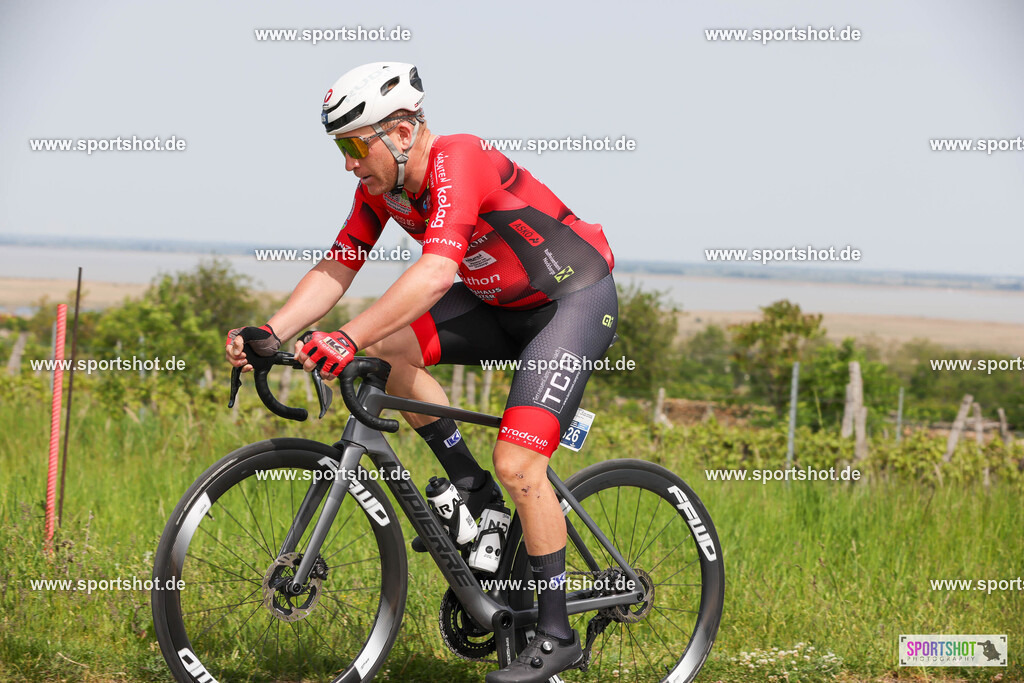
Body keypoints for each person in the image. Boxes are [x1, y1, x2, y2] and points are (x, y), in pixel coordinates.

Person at [226, 61, 617, 683]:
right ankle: (472, 488)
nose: (350, 165)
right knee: (391, 357)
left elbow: (436, 273)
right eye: (341, 149)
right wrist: (274, 331)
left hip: (569, 302)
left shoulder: (459, 158)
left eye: (355, 146)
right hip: (495, 303)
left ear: (402, 131)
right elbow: (338, 265)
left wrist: (348, 336)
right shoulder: (382, 191)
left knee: (520, 465)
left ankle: (557, 634)